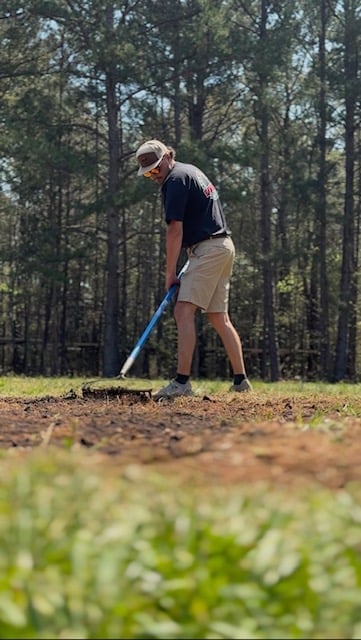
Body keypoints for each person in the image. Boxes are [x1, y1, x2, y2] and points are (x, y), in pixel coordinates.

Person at [135, 139, 252, 399]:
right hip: (222, 247)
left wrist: (170, 274)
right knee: (218, 317)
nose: (154, 176)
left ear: (167, 157)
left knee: (183, 310)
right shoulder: (190, 171)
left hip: (208, 249)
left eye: (156, 169)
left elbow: (175, 229)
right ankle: (241, 381)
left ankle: (181, 383)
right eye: (149, 173)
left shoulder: (175, 180)